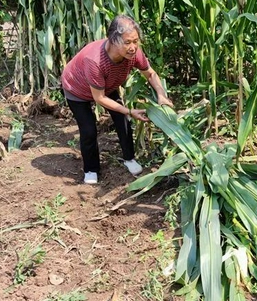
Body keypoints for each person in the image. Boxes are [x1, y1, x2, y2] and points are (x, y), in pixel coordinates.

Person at [61, 15, 173, 184]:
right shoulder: (95, 61)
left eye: (135, 41)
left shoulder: (134, 54)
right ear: (113, 40)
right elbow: (99, 98)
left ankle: (129, 158)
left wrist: (161, 95)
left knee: (122, 120)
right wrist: (130, 110)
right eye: (127, 42)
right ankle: (91, 169)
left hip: (107, 85)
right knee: (88, 130)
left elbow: (150, 73)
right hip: (76, 89)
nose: (133, 47)